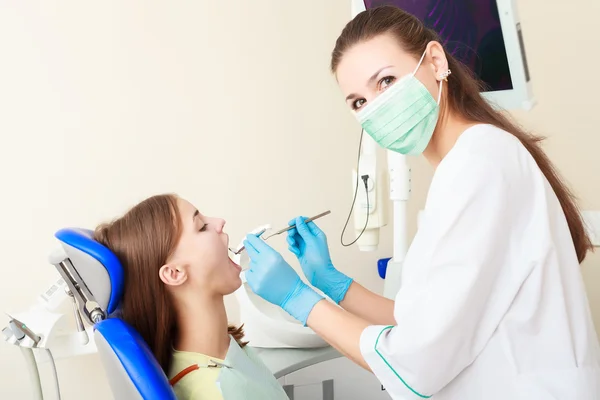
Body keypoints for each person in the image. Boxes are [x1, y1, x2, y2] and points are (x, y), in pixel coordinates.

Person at [242, 5, 600, 399]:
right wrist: (333, 283)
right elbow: (422, 321)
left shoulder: (479, 165)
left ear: (434, 61)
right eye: (358, 102)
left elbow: (416, 360)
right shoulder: (469, 162)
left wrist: (298, 298)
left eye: (386, 81)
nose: (376, 106)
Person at [94, 194, 289, 400]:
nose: (220, 222)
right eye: (202, 226)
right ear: (174, 273)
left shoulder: (216, 352)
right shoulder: (219, 391)